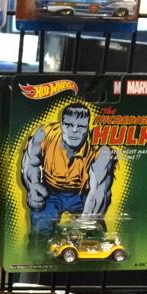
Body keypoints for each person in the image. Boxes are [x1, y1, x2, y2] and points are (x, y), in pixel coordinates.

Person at [20, 103, 116, 240]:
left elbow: (98, 192)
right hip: (51, 194)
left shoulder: (101, 150)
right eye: (69, 125)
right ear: (61, 125)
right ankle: (38, 251)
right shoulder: (44, 134)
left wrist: (86, 222)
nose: (74, 130)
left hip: (82, 195)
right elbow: (30, 161)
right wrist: (33, 186)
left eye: (81, 126)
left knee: (93, 234)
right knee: (40, 230)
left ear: (87, 127)